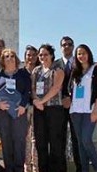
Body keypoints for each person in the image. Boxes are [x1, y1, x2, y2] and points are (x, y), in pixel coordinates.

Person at [0, 48, 32, 172]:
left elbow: (28, 91)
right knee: (6, 141)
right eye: (6, 56)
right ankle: (9, 169)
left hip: (19, 112)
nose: (9, 58)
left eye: (12, 56)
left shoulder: (23, 74)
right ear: (2, 60)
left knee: (19, 141)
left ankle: (19, 169)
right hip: (3, 114)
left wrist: (23, 105)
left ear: (16, 59)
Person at [31, 43, 67, 172]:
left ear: (51, 55)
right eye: (40, 55)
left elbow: (56, 88)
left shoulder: (57, 70)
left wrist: (42, 101)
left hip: (54, 110)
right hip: (39, 110)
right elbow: (33, 88)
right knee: (41, 143)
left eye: (45, 54)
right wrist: (36, 101)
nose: (42, 57)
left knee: (55, 143)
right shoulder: (36, 71)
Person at [68, 44, 97, 172]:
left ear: (88, 54)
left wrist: (96, 110)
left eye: (83, 53)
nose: (81, 56)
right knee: (80, 143)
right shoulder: (75, 71)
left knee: (86, 139)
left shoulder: (96, 69)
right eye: (78, 54)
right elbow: (69, 89)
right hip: (75, 111)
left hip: (90, 111)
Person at [58, 36, 79, 172]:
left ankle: (80, 168)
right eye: (64, 45)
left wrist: (70, 99)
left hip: (76, 106)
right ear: (61, 47)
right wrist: (62, 99)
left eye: (69, 44)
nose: (67, 47)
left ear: (73, 46)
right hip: (59, 107)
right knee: (59, 139)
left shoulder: (79, 63)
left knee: (77, 139)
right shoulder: (55, 64)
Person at [23, 45, 40, 172]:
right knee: (25, 138)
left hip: (37, 108)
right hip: (24, 108)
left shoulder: (40, 72)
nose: (31, 57)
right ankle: (26, 166)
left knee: (36, 138)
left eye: (34, 55)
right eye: (29, 55)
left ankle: (36, 167)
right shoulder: (21, 72)